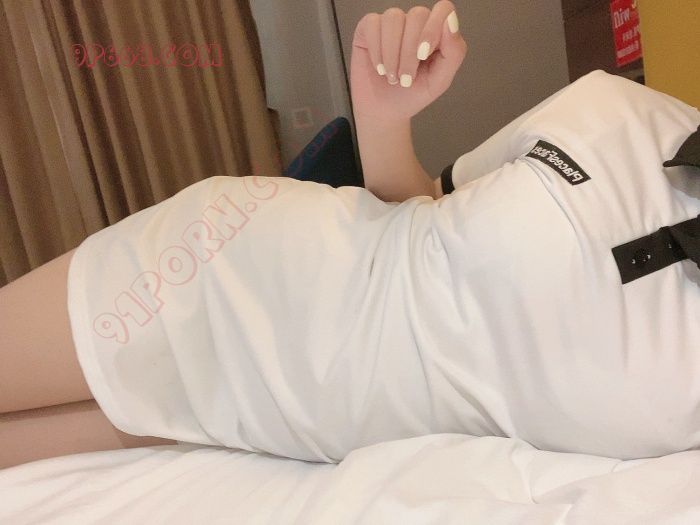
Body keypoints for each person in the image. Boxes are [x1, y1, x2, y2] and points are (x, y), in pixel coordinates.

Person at [2, 1, 699, 467]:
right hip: (225, 271)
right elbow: (418, 209)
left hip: (272, 432)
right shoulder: (621, 112)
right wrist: (383, 113)